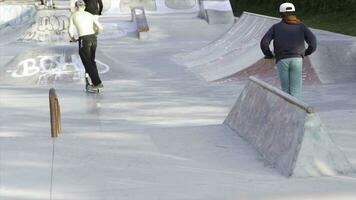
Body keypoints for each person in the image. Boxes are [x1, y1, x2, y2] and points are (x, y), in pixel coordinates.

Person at [260, 2, 317, 98]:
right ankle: (295, 111)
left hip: (282, 60)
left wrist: (269, 54)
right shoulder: (301, 26)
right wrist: (306, 52)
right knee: (296, 90)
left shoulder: (276, 27)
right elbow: (313, 42)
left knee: (285, 91)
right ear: (294, 13)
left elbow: (264, 42)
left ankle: (286, 110)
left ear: (281, 14)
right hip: (297, 59)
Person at [69, 0, 104, 92]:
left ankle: (97, 83)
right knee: (92, 61)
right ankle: (95, 82)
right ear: (84, 7)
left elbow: (70, 31)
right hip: (93, 38)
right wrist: (95, 33)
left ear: (76, 7)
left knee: (87, 63)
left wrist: (73, 38)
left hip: (84, 39)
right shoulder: (90, 15)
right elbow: (100, 28)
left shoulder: (73, 15)